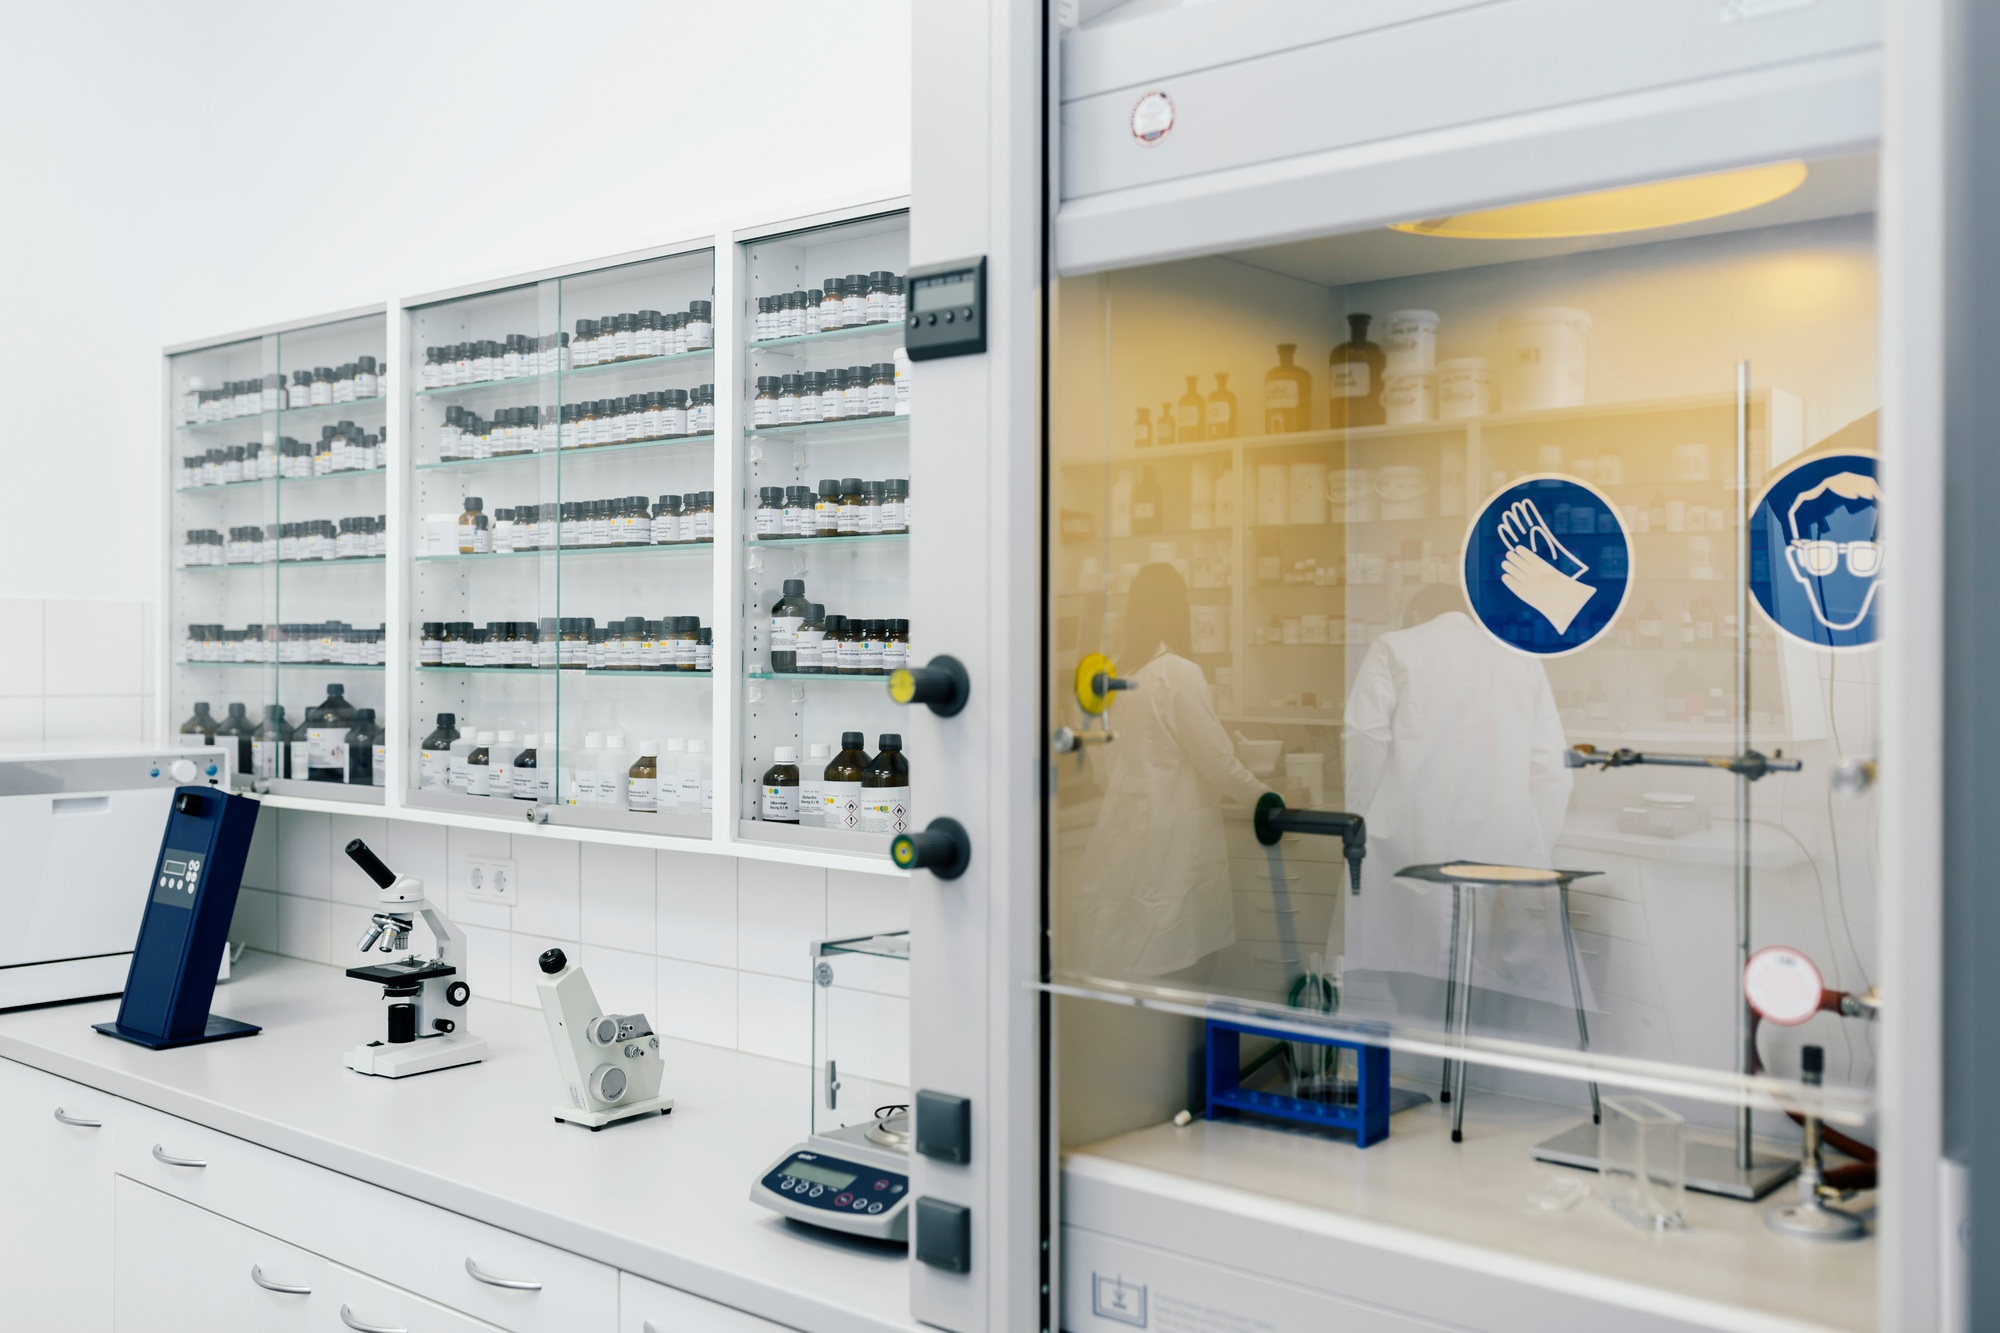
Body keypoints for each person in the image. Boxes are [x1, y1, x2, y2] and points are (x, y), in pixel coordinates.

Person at [1336, 582, 1583, 1012]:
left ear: (1417, 615)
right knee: (1490, 988)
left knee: (1416, 982)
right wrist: (1536, 841)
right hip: (1502, 842)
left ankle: (1422, 1051)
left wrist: (1360, 820)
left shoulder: (1394, 647)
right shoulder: (1522, 657)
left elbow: (1363, 738)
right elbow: (1551, 768)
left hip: (1413, 838)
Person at [1067, 563, 1274, 981]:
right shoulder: (1178, 673)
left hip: (1122, 832)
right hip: (1173, 841)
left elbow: (1102, 766)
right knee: (1178, 960)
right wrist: (1266, 797)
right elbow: (1217, 760)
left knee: (1129, 957)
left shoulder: (1111, 673)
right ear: (1179, 610)